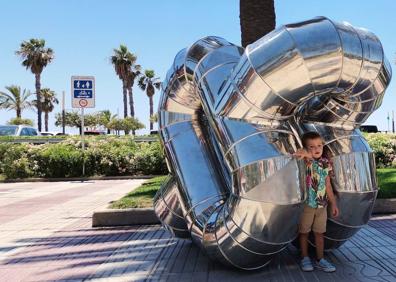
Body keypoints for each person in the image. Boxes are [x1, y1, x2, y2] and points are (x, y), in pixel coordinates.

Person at [293, 131, 339, 272]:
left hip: (322, 206)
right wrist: (305, 153)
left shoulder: (325, 163)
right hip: (307, 205)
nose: (317, 149)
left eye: (319, 145)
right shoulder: (304, 161)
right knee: (304, 232)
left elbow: (328, 185)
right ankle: (305, 258)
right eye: (311, 147)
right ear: (306, 148)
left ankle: (320, 259)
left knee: (320, 233)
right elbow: (298, 153)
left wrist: (333, 203)